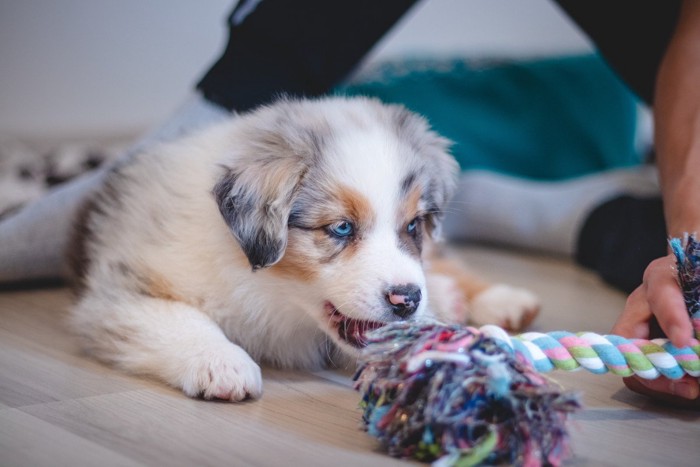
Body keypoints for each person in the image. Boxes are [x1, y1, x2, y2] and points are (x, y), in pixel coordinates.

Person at [0, 0, 698, 404]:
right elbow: (115, 305)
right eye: (340, 229)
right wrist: (692, 252)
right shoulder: (227, 213)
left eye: (412, 230)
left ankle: (552, 214)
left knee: (638, 245)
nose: (402, 282)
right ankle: (183, 129)